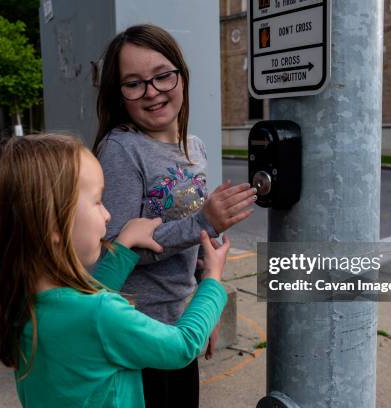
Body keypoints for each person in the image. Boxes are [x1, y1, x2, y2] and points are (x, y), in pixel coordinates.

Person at [0, 134, 231, 408]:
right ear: (53, 225)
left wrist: (123, 244)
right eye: (98, 201)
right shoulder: (100, 314)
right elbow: (182, 346)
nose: (108, 214)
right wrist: (212, 281)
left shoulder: (20, 305)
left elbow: (85, 301)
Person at [93, 24, 257, 407]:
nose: (152, 91)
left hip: (180, 321)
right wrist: (204, 222)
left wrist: (207, 303)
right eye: (134, 83)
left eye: (162, 75)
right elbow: (113, 251)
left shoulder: (194, 147)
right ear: (119, 94)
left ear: (181, 74)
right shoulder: (121, 150)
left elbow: (199, 245)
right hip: (138, 331)